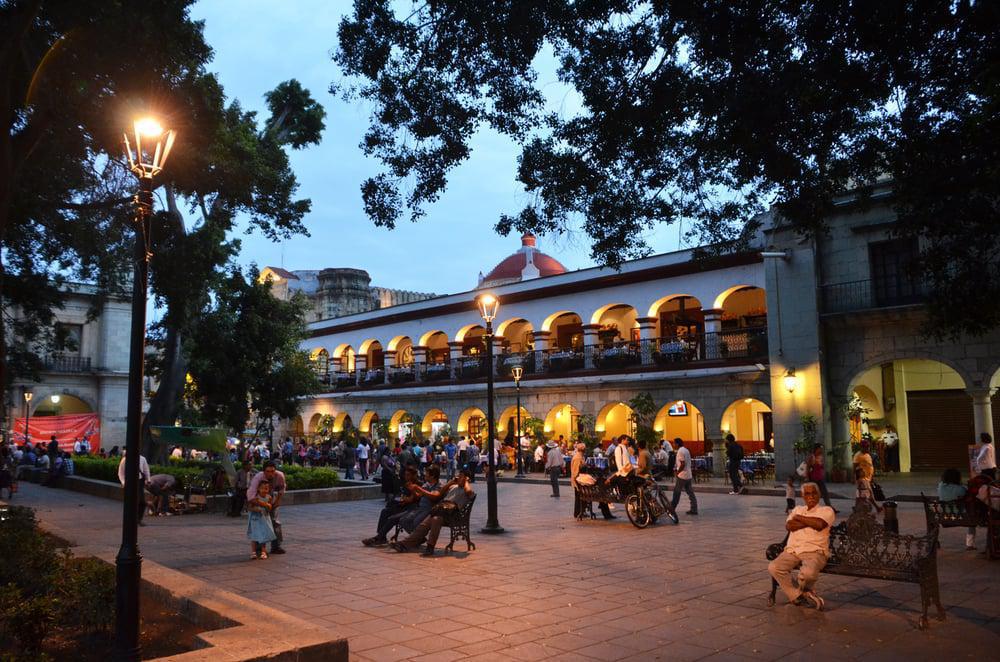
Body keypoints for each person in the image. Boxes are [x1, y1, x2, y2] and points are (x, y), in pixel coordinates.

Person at [768, 482, 835, 610]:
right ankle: (797, 595)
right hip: (793, 551)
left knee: (808, 574)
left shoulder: (826, 510)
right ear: (803, 496)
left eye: (814, 493)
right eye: (807, 494)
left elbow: (820, 524)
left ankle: (804, 592)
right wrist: (810, 521)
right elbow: (789, 526)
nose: (811, 496)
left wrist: (800, 518)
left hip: (815, 551)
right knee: (774, 567)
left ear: (819, 495)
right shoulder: (798, 509)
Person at [391, 470, 475, 556]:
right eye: (458, 475)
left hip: (452, 515)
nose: (458, 477)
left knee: (435, 519)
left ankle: (429, 547)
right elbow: (440, 492)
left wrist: (467, 482)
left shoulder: (467, 489)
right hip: (441, 511)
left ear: (466, 479)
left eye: (461, 476)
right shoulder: (453, 486)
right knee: (424, 525)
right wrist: (451, 482)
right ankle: (404, 544)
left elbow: (469, 492)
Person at [246, 461, 286, 554]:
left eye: (272, 471)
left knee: (275, 522)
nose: (271, 474)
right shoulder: (258, 478)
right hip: (257, 499)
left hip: (270, 497)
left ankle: (276, 546)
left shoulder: (279, 475)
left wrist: (277, 501)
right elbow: (251, 497)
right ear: (264, 471)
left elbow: (281, 488)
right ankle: (259, 549)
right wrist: (265, 505)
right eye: (268, 471)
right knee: (260, 524)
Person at [571, 443, 615, 520]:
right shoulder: (578, 458)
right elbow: (575, 473)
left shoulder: (580, 457)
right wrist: (576, 482)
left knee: (579, 498)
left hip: (583, 484)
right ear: (583, 449)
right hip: (582, 483)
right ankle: (606, 513)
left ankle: (579, 512)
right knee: (602, 493)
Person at [118, 450, 151, 526]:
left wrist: (148, 479)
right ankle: (129, 519)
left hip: (139, 482)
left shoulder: (142, 459)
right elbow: (121, 473)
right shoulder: (125, 459)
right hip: (129, 482)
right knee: (131, 502)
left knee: (142, 502)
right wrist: (124, 482)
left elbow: (146, 470)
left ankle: (139, 519)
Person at [247, 480, 277, 560]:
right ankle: (253, 552)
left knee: (264, 535)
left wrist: (268, 506)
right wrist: (255, 509)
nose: (264, 490)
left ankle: (263, 551)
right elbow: (249, 507)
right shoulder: (255, 498)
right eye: (262, 488)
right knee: (254, 536)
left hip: (264, 519)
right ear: (258, 489)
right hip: (255, 519)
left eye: (266, 488)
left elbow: (270, 508)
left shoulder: (269, 497)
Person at [670, 438, 698, 515]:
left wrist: (678, 472)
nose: (673, 445)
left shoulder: (680, 451)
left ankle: (672, 508)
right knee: (690, 492)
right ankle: (694, 508)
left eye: (674, 443)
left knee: (677, 492)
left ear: (677, 444)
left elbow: (682, 463)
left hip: (682, 475)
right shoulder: (686, 450)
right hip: (688, 474)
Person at [806, 444, 836, 511]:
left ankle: (829, 506)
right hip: (813, 478)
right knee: (813, 494)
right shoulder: (812, 457)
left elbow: (821, 467)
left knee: (825, 493)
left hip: (820, 478)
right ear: (816, 449)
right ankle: (812, 507)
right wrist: (807, 478)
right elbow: (808, 468)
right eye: (820, 448)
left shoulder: (820, 457)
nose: (821, 450)